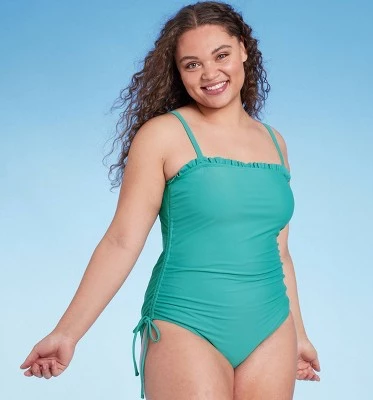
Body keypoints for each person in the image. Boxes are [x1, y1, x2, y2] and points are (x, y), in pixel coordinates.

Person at [20, 1, 321, 399]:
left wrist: (300, 334)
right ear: (178, 72)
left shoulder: (274, 142)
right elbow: (122, 241)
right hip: (186, 320)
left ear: (244, 50)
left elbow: (280, 251)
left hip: (272, 326)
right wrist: (67, 333)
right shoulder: (162, 136)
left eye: (221, 55)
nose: (210, 73)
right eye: (192, 64)